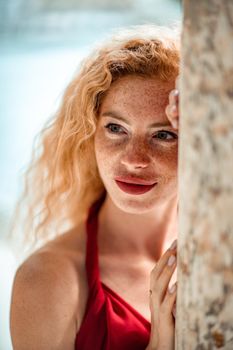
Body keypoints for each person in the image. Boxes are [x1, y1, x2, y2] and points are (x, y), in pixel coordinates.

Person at [10, 24, 180, 350]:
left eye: (163, 134)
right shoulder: (48, 280)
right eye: (116, 128)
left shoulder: (217, 254)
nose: (134, 159)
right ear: (90, 134)